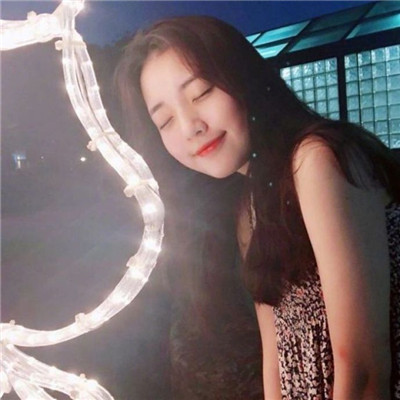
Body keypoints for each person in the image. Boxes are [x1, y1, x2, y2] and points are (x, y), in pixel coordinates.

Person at [114, 15, 400, 400]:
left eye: (201, 92)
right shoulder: (250, 203)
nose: (190, 126)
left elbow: (363, 368)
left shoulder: (316, 160)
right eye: (165, 120)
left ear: (244, 79)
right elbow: (275, 354)